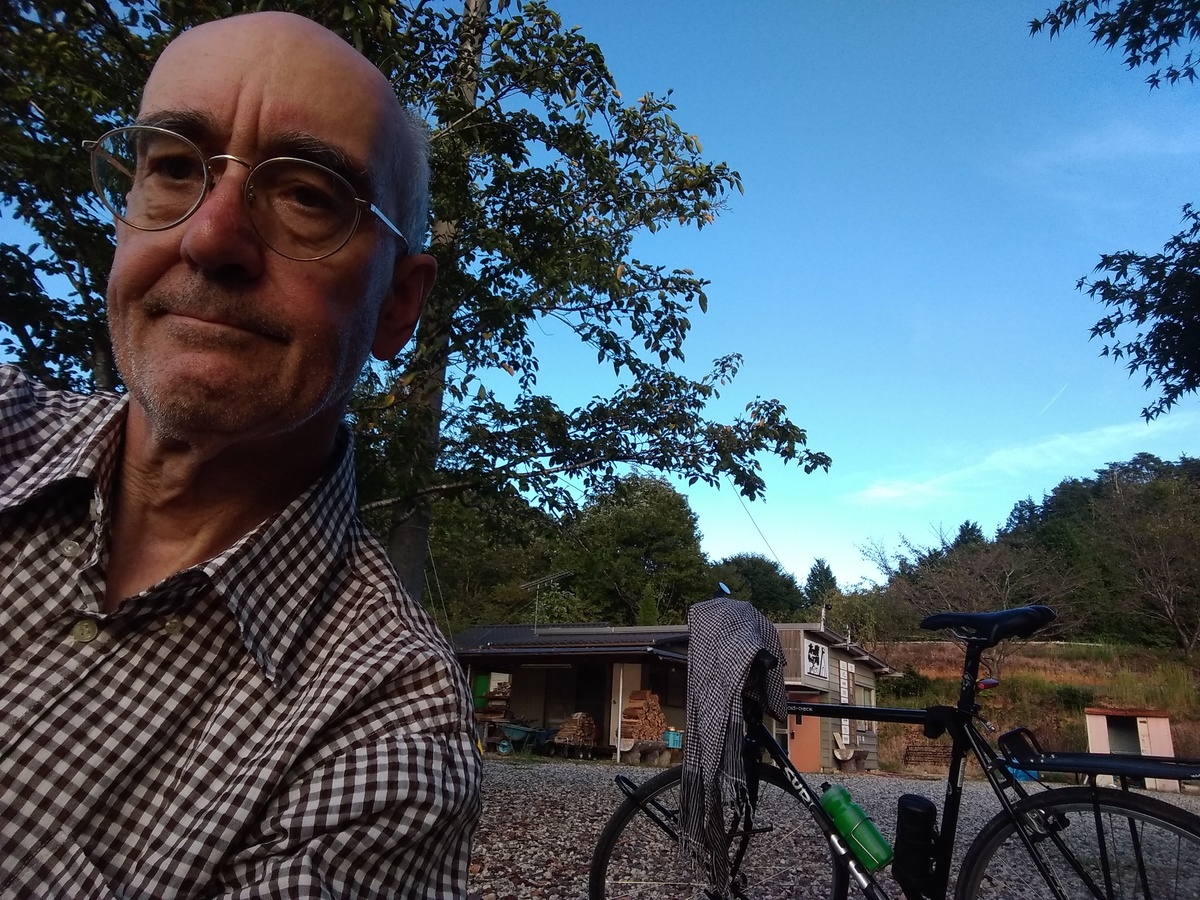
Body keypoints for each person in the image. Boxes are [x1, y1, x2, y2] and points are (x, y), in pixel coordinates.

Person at [0, 11, 480, 897]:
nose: (210, 236)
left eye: (306, 196)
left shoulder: (390, 732)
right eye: (174, 168)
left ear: (397, 307)